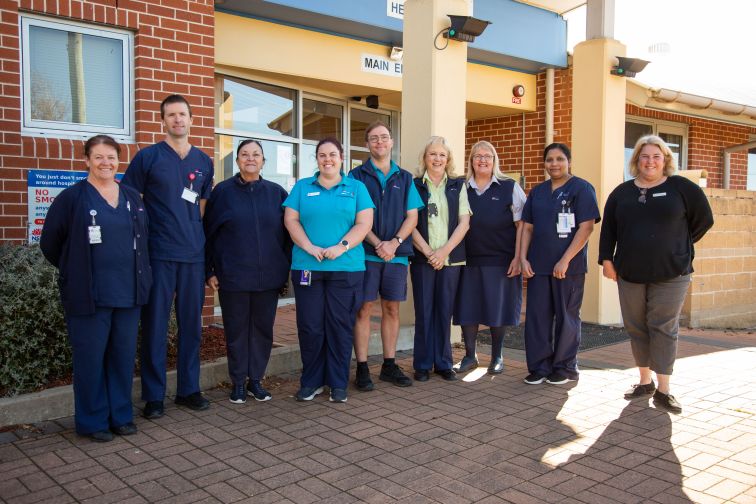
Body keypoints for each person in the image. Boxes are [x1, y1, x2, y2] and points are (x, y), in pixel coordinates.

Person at [40, 135, 151, 442]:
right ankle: (92, 421)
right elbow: (50, 242)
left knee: (122, 357)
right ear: (87, 160)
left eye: (111, 157)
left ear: (119, 161)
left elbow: (144, 240)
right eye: (99, 157)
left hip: (128, 294)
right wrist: (74, 269)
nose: (106, 163)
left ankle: (120, 415)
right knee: (90, 360)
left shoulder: (132, 197)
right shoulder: (73, 198)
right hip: (90, 295)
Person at [599, 135, 713, 413]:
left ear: (665, 160)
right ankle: (644, 381)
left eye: (656, 156)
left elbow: (703, 220)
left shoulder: (681, 188)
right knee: (636, 326)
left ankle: (664, 389)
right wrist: (607, 260)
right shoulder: (622, 193)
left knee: (662, 327)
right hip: (629, 271)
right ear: (636, 160)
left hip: (671, 272)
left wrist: (678, 248)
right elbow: (609, 229)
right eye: (644, 156)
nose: (650, 161)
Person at [122, 94, 214, 419]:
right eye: (171, 115)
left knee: (192, 326)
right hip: (158, 255)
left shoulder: (204, 162)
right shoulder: (147, 158)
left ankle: (189, 389)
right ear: (163, 121)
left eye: (183, 114)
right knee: (156, 326)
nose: (177, 120)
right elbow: (130, 202)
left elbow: (201, 208)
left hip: (193, 255)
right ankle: (154, 396)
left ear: (192, 120)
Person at [283, 137, 374, 403]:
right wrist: (309, 246)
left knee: (339, 324)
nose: (327, 159)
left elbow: (364, 223)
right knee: (310, 325)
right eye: (322, 155)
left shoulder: (356, 188)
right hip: (307, 266)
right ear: (317, 159)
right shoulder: (302, 188)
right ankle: (311, 381)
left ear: (342, 158)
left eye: (332, 154)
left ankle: (337, 382)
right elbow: (291, 220)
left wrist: (341, 246)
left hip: (345, 267)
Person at [204, 139, 291, 404]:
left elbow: (288, 237)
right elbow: (208, 234)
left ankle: (256, 380)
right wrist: (210, 270)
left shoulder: (277, 193)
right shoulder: (222, 192)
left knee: (262, 330)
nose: (250, 158)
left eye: (256, 154)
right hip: (233, 276)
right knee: (237, 330)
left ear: (264, 161)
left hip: (268, 277)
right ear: (238, 160)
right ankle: (238, 382)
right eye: (244, 154)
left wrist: (283, 273)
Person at [349, 121, 424, 391]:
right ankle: (362, 367)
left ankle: (389, 365)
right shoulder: (355, 176)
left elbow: (412, 216)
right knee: (364, 309)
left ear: (392, 142)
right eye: (373, 138)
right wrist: (378, 243)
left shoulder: (404, 178)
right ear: (367, 144)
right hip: (366, 254)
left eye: (384, 138)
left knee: (392, 309)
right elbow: (354, 215)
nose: (379, 142)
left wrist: (394, 243)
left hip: (397, 255)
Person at [520, 143, 600, 385]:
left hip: (569, 268)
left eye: (559, 159)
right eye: (549, 160)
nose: (554, 164)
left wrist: (565, 260)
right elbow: (527, 227)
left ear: (569, 162)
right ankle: (539, 367)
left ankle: (564, 367)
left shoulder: (582, 189)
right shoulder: (538, 191)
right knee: (537, 317)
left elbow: (586, 227)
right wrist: (523, 258)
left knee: (567, 317)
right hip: (538, 266)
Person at [453, 140, 525, 375]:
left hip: (501, 260)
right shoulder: (462, 188)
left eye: (488, 156)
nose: (483, 160)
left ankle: (497, 356)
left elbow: (522, 226)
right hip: (468, 259)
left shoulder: (509, 187)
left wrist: (518, 257)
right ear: (471, 161)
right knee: (467, 308)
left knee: (498, 309)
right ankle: (470, 355)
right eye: (477, 156)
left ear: (495, 161)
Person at [410, 136, 471, 382]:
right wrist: (428, 252)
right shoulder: (414, 185)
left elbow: (464, 222)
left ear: (448, 160)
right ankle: (423, 364)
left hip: (450, 259)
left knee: (444, 312)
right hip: (422, 258)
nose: (437, 159)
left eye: (442, 155)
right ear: (425, 158)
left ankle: (444, 363)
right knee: (424, 312)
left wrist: (443, 252)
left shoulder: (458, 185)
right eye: (432, 154)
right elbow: (410, 222)